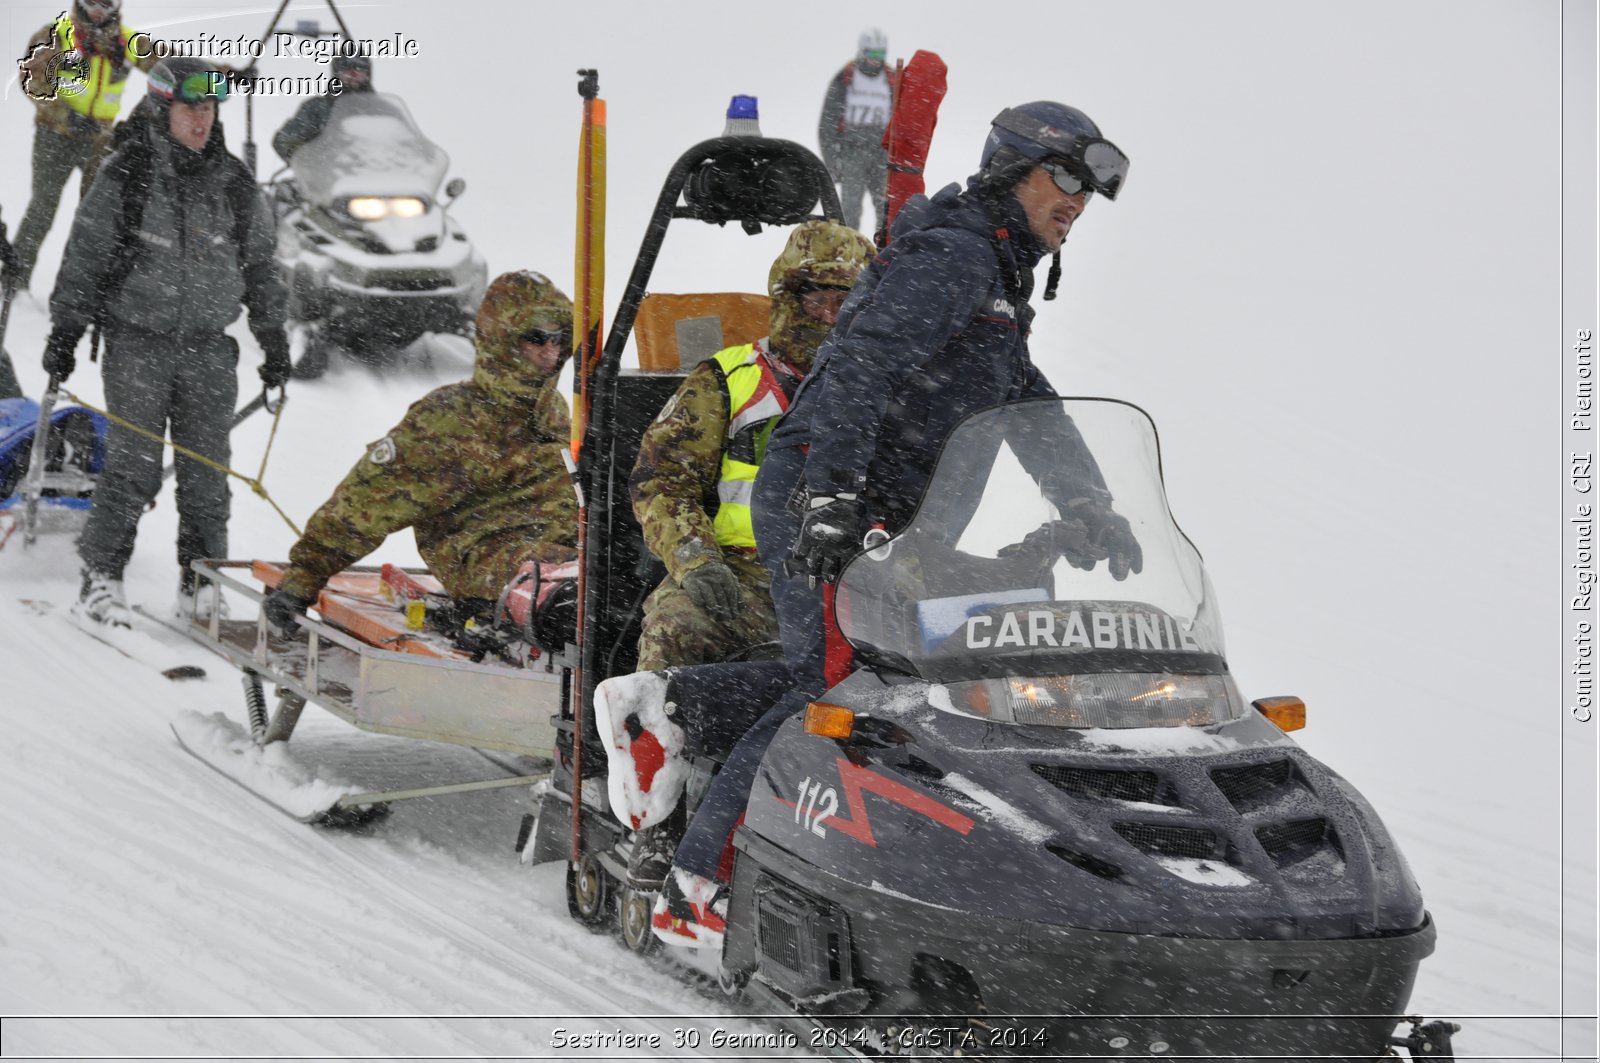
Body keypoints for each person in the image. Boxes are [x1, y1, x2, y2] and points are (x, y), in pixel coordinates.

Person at [647, 101, 1142, 948]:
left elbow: (1023, 391)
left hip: (889, 510)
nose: (1074, 201)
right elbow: (862, 368)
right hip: (829, 493)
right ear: (1007, 170)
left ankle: (680, 712)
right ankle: (699, 878)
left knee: (912, 683)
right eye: (1061, 178)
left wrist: (1086, 501)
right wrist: (831, 495)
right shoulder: (953, 253)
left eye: (1085, 190)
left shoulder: (995, 265)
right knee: (836, 687)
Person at [605, 221, 873, 891]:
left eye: (849, 299)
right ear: (787, 295)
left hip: (842, 582)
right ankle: (655, 822)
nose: (831, 314)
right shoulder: (727, 380)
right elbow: (660, 483)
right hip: (736, 576)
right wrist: (697, 562)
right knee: (675, 630)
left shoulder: (879, 392)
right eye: (817, 296)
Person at [42, 57, 289, 628]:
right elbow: (87, 254)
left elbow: (261, 266)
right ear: (162, 108)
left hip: (208, 348)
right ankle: (99, 579)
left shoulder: (233, 183)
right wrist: (66, 329)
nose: (201, 119)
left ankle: (198, 584)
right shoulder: (127, 175)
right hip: (138, 341)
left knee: (208, 475)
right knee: (134, 467)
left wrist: (273, 338)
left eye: (208, 108)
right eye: (189, 108)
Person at [260, 270, 578, 635]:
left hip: (563, 551)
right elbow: (367, 502)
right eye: (535, 338)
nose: (550, 351)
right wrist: (303, 579)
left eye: (558, 338)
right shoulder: (450, 418)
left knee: (628, 580)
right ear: (501, 340)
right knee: (579, 600)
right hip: (492, 559)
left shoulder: (550, 409)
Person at [14, 0, 160, 291]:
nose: (97, 11)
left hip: (100, 142)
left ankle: (78, 290)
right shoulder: (56, 35)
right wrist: (67, 116)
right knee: (43, 206)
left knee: (95, 217)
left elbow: (174, 67)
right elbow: (32, 80)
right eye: (91, 2)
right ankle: (14, 279)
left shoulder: (128, 42)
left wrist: (221, 76)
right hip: (55, 136)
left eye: (105, 4)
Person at [817, 28, 897, 233]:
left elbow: (901, 118)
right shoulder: (845, 78)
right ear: (862, 52)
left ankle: (886, 252)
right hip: (853, 151)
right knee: (850, 211)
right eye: (871, 54)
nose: (875, 60)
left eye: (880, 54)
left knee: (887, 208)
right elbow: (827, 124)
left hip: (882, 153)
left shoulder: (892, 79)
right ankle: (847, 252)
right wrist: (832, 162)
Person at [271, 54, 373, 164]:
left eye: (359, 69)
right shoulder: (316, 109)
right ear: (337, 74)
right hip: (325, 177)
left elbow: (393, 143)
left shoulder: (381, 109)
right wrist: (309, 158)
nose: (353, 74)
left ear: (367, 74)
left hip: (374, 176)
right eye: (346, 69)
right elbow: (284, 140)